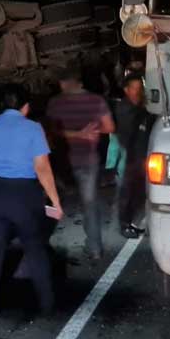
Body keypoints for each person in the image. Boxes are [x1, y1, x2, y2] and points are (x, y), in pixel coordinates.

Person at [0, 84, 63, 328]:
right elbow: (42, 168)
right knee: (35, 249)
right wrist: (54, 200)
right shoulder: (32, 128)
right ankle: (47, 304)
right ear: (25, 107)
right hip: (24, 194)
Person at [46, 66, 115, 260]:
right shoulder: (96, 100)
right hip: (88, 160)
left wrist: (73, 134)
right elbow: (110, 127)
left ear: (63, 83)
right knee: (89, 203)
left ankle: (45, 249)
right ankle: (94, 248)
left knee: (54, 201)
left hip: (64, 160)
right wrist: (90, 131)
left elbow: (52, 132)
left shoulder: (56, 103)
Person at [115, 74, 154, 238]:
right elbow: (126, 136)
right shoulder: (125, 109)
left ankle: (132, 224)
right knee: (126, 194)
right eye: (135, 89)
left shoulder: (140, 108)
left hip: (139, 158)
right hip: (129, 158)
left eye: (140, 88)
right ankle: (124, 225)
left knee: (137, 194)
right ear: (126, 90)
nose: (138, 92)